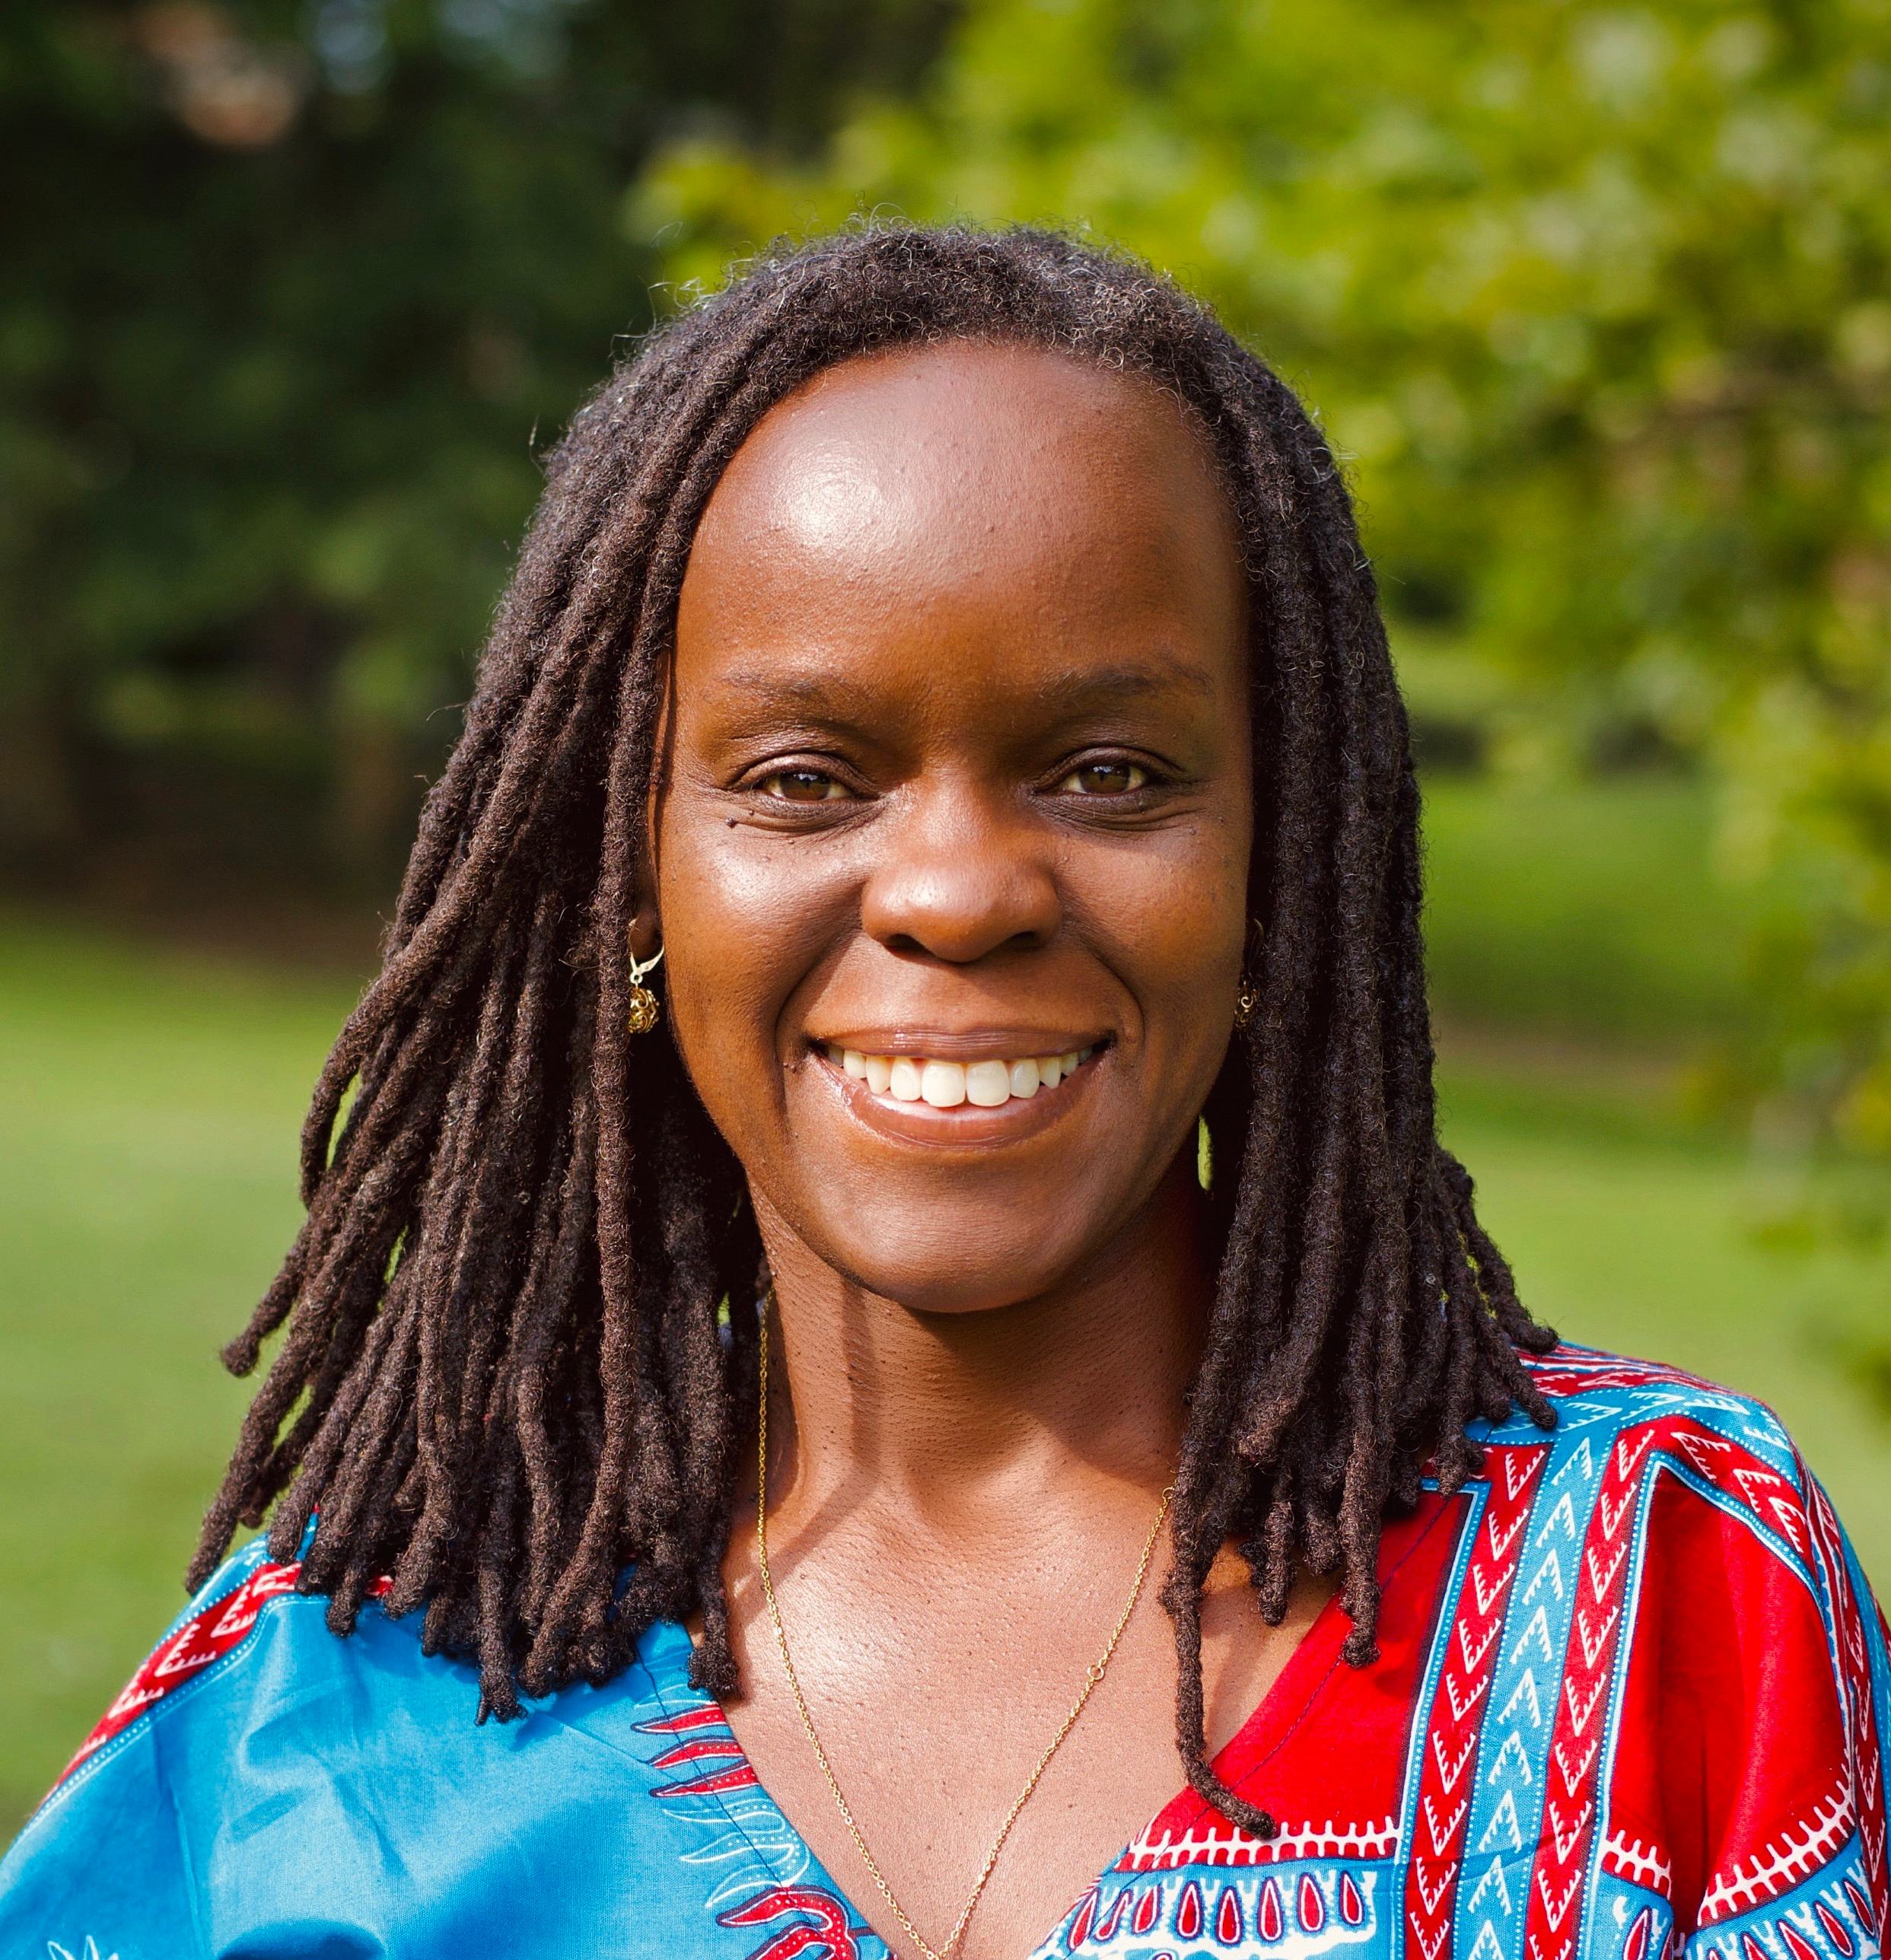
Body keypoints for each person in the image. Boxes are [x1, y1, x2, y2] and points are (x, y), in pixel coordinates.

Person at [2, 225, 1886, 1960]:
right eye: (807, 779)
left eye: (1114, 773)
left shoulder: (1660, 1597)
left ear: (1285, 861)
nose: (959, 891)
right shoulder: (323, 1727)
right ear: (623, 884)